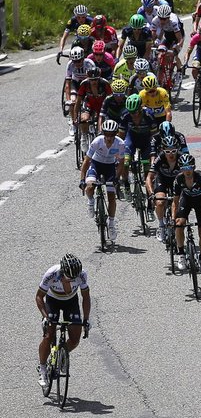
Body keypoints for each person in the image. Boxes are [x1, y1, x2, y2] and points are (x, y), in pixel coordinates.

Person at [36, 255, 91, 387]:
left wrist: (86, 320)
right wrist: (45, 317)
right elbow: (39, 296)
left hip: (70, 302)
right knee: (48, 336)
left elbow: (86, 297)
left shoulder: (82, 275)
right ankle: (42, 369)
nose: (72, 279)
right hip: (52, 301)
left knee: (75, 339)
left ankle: (62, 355)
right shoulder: (51, 274)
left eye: (74, 278)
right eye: (69, 277)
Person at [79, 119, 126, 241]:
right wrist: (82, 179)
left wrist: (117, 178)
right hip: (96, 164)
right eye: (106, 134)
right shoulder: (97, 141)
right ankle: (90, 202)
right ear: (103, 133)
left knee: (111, 196)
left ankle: (111, 224)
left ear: (116, 134)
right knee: (90, 186)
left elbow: (121, 163)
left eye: (111, 135)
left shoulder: (120, 144)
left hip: (110, 167)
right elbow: (86, 161)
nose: (109, 137)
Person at [173, 154, 201, 275]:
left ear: (193, 167)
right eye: (184, 168)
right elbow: (175, 201)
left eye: (189, 168)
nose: (187, 171)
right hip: (186, 200)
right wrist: (174, 218)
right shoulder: (178, 180)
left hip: (200, 201)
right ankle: (181, 254)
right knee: (179, 224)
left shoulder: (200, 177)